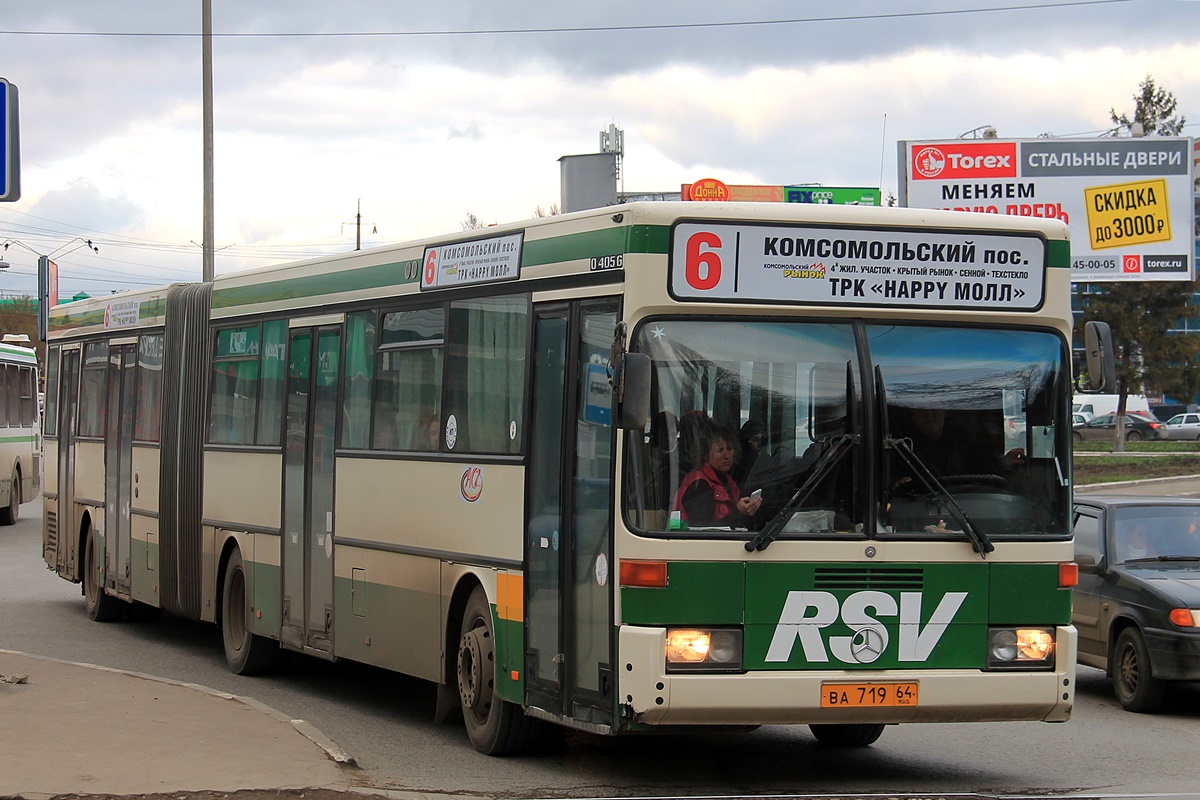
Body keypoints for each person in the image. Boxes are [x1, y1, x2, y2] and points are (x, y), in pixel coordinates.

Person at [674, 423, 763, 528]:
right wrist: (739, 512)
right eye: (719, 450)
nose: (726, 456)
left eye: (729, 449)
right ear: (705, 454)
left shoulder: (728, 481)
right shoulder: (699, 484)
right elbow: (703, 529)